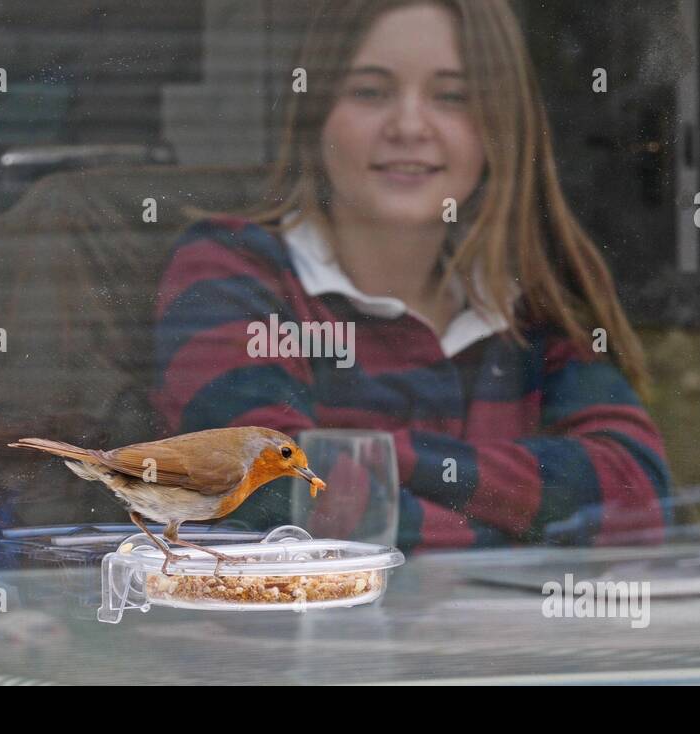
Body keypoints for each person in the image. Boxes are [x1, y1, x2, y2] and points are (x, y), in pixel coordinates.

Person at [154, 0, 673, 551]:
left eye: (452, 97)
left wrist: (376, 459)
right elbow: (264, 497)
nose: (408, 126)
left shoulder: (523, 307)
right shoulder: (230, 270)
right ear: (318, 114)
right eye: (370, 92)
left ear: (500, 129)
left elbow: (637, 492)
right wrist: (522, 529)